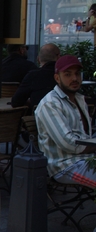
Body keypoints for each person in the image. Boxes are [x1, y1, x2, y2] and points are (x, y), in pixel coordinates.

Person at [35, 55, 96, 187]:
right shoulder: (50, 104)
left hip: (86, 160)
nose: (74, 78)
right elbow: (69, 143)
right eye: (68, 74)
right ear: (57, 78)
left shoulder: (79, 99)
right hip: (64, 166)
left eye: (77, 74)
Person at [12, 43, 61, 110]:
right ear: (59, 57)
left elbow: (16, 102)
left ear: (38, 59)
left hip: (37, 118)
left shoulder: (33, 75)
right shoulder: (63, 76)